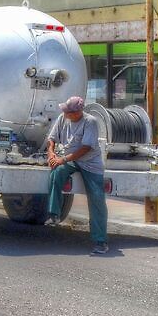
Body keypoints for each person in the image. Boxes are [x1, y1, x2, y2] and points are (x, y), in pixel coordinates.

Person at [45, 96, 109, 254]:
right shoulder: (63, 117)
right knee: (57, 173)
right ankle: (54, 214)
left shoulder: (90, 122)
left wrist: (63, 159)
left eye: (69, 112)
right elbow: (51, 139)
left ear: (78, 112)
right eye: (65, 111)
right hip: (70, 159)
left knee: (96, 197)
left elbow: (86, 148)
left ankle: (100, 241)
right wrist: (51, 154)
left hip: (90, 162)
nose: (66, 114)